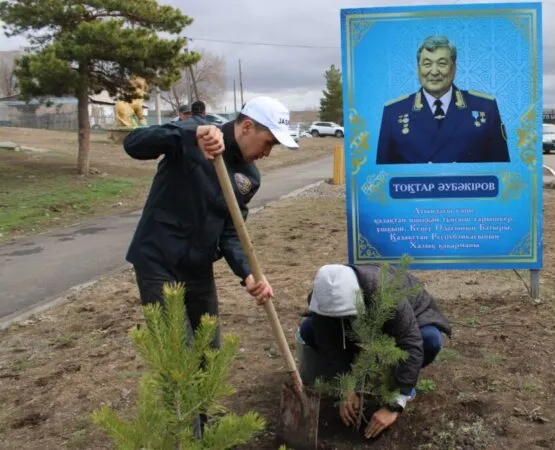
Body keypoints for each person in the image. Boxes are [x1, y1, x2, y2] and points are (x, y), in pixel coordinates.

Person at [123, 96, 298, 353]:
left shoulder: (249, 177)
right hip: (157, 260)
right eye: (269, 142)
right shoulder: (196, 133)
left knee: (210, 351)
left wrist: (248, 273)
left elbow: (231, 232)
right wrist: (191, 135)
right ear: (247, 127)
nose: (267, 153)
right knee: (178, 352)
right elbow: (133, 143)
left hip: (198, 268)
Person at [297, 263, 452, 439]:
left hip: (409, 319)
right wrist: (346, 386)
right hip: (359, 325)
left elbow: (411, 342)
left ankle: (401, 383)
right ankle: (363, 371)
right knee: (309, 328)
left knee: (430, 339)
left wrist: (395, 404)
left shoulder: (385, 292)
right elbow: (329, 344)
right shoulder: (322, 296)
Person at [376, 35, 510, 165]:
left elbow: (501, 171)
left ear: (454, 68)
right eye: (427, 64)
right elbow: (383, 174)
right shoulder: (394, 112)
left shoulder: (485, 107)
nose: (434, 72)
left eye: (442, 63)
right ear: (418, 69)